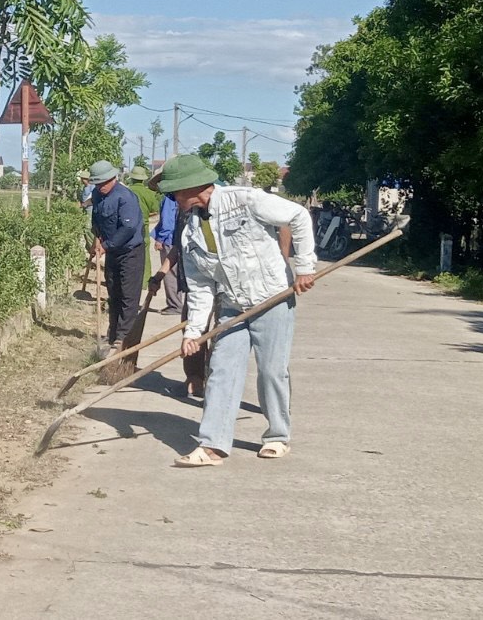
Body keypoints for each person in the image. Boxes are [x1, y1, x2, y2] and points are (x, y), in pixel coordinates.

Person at [154, 154, 317, 468]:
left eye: (176, 192)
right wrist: (194, 333)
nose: (173, 199)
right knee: (221, 370)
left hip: (272, 299)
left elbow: (297, 216)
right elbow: (201, 288)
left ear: (193, 187)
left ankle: (277, 437)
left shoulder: (246, 199)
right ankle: (213, 445)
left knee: (271, 371)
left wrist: (305, 268)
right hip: (232, 306)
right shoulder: (189, 233)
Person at [87, 160, 145, 353]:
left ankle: (124, 338)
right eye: (96, 183)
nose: (100, 187)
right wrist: (97, 237)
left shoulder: (125, 197)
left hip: (130, 252)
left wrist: (106, 245)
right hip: (111, 251)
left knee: (129, 297)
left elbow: (128, 228)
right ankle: (113, 334)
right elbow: (96, 218)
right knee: (114, 294)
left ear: (113, 178)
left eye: (103, 183)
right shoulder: (96, 194)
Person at [125, 165, 161, 287]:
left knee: (127, 253)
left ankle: (129, 281)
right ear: (143, 179)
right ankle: (145, 282)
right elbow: (156, 210)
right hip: (143, 226)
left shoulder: (126, 191)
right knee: (144, 254)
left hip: (126, 226)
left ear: (132, 178)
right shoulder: (149, 193)